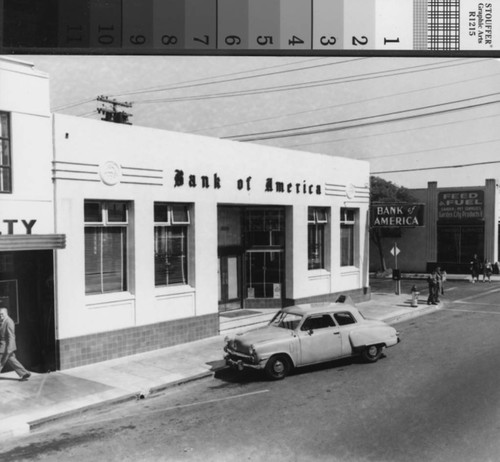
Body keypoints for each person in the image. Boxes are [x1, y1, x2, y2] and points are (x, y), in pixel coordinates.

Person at [0, 307, 31, 381]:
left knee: (1, 361)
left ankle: (24, 373)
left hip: (6, 347)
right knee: (12, 360)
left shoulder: (9, 322)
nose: (0, 316)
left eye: (2, 314)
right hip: (4, 346)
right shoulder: (3, 321)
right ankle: (24, 373)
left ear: (6, 313)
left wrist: (9, 349)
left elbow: (11, 336)